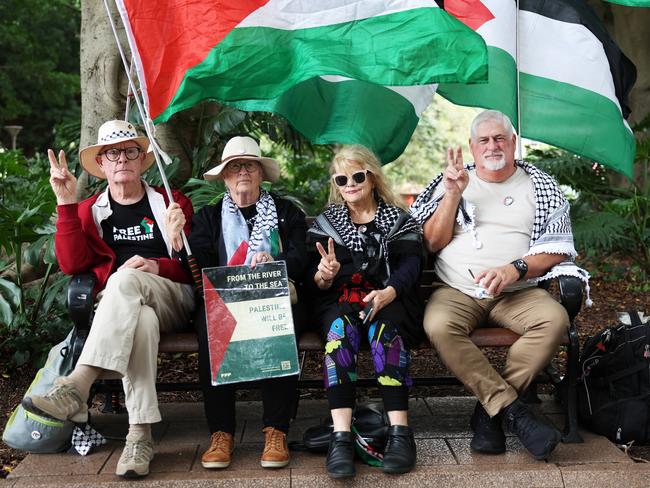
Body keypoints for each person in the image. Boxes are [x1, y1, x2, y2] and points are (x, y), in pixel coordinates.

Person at [22, 120, 195, 477]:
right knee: (140, 320)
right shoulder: (90, 210)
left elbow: (193, 270)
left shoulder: (171, 202)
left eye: (131, 151)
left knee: (126, 278)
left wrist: (163, 260)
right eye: (113, 153)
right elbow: (73, 264)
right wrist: (66, 203)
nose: (122, 159)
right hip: (127, 311)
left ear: (142, 159)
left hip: (172, 299)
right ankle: (139, 435)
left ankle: (78, 383)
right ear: (101, 164)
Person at [410, 109, 584, 461]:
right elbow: (430, 243)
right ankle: (510, 409)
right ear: (472, 148)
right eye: (484, 140)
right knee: (438, 326)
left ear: (514, 143)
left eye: (500, 138)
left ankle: (489, 410)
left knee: (553, 321)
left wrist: (514, 269)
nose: (493, 146)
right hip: (457, 291)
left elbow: (557, 249)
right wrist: (453, 195)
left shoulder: (540, 185)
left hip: (518, 292)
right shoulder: (452, 182)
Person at [165, 136, 308, 470]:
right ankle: (221, 433)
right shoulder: (209, 217)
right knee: (210, 327)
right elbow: (195, 265)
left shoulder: (286, 213)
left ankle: (276, 430)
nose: (242, 171)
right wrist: (177, 242)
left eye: (250, 165)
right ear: (225, 177)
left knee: (278, 325)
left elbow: (302, 257)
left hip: (274, 297)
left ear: (261, 173)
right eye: (235, 166)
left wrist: (275, 258)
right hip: (224, 303)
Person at [306, 145, 423, 478]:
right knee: (339, 332)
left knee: (385, 332)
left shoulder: (397, 219)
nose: (350, 184)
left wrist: (388, 292)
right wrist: (323, 274)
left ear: (372, 178)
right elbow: (312, 279)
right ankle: (341, 438)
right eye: (342, 178)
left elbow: (411, 263)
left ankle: (401, 434)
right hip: (340, 301)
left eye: (358, 176)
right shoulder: (327, 223)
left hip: (391, 299)